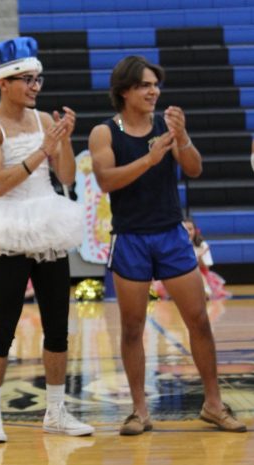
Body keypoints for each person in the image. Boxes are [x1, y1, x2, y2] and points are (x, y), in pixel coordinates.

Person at [89, 55, 246, 435]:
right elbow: (106, 181)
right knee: (131, 327)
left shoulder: (167, 126)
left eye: (155, 84)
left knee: (199, 321)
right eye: (145, 84)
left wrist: (184, 137)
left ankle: (212, 404)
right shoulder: (104, 133)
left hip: (170, 234)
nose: (153, 90)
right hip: (130, 238)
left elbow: (194, 168)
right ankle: (140, 411)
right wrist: (150, 157)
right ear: (125, 90)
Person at [0, 36, 94, 442]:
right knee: (4, 325)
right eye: (26, 79)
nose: (36, 86)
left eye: (38, 78)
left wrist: (65, 140)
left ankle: (55, 411)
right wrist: (42, 151)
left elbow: (67, 177)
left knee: (58, 327)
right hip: (10, 228)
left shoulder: (44, 121)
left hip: (47, 221)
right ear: (3, 82)